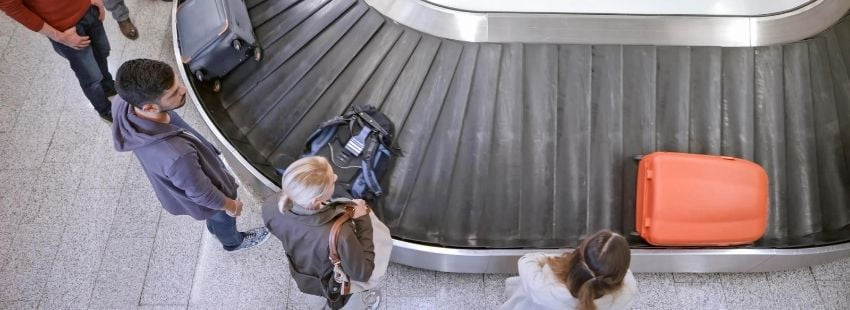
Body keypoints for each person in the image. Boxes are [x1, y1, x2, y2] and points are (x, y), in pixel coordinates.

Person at [111, 58, 270, 252]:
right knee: (222, 219)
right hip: (210, 196)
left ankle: (214, 226)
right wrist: (229, 205)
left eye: (178, 82)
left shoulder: (124, 103)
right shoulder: (177, 155)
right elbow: (203, 193)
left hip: (185, 180)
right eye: (174, 92)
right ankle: (233, 242)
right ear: (149, 108)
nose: (184, 89)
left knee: (214, 217)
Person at [262, 156, 384, 310]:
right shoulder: (339, 233)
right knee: (342, 302)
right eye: (331, 181)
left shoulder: (270, 206)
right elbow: (362, 273)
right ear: (315, 200)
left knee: (316, 301)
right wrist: (362, 220)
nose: (336, 177)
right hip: (332, 281)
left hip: (304, 277)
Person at [0, 0, 116, 122]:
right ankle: (104, 108)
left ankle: (107, 86)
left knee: (102, 52)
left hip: (89, 10)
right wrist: (58, 37)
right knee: (90, 75)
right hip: (64, 30)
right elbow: (12, 6)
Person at [500, 230, 637, 310]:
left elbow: (527, 260)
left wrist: (551, 258)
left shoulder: (544, 287)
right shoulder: (627, 291)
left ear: (579, 254)